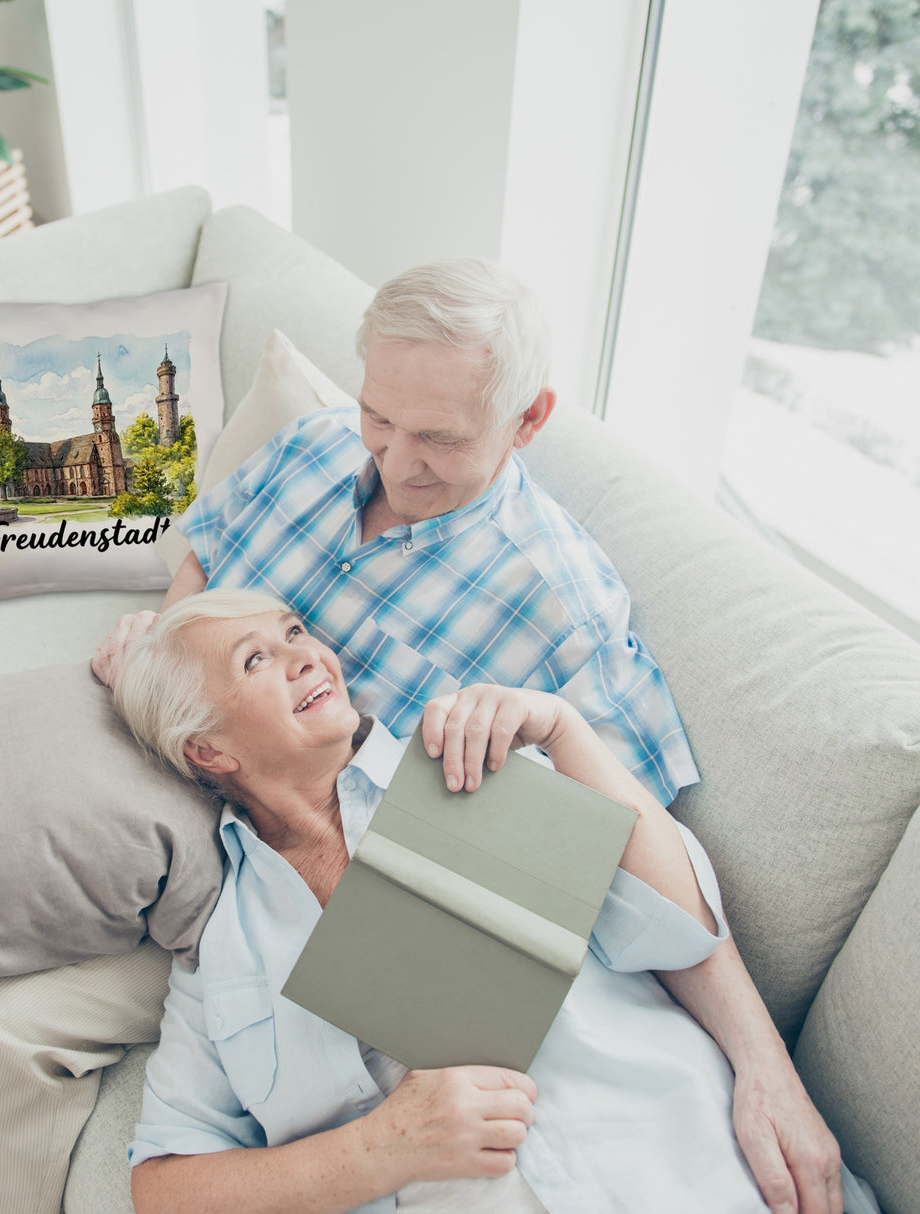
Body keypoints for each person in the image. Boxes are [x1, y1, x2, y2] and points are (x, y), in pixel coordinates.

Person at [94, 259, 842, 1213]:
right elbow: (208, 546)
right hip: (200, 836)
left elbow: (650, 885)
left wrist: (764, 1068)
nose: (395, 463)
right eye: (380, 418)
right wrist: (169, 658)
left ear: (528, 420)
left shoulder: (538, 656)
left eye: (438, 438)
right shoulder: (315, 450)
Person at [114, 588, 866, 1214]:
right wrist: (379, 1149)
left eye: (295, 632)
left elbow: (678, 929)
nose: (307, 655)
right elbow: (164, 1187)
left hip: (694, 1167)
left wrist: (565, 731)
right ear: (208, 750)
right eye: (257, 659)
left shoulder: (468, 762)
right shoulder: (223, 952)